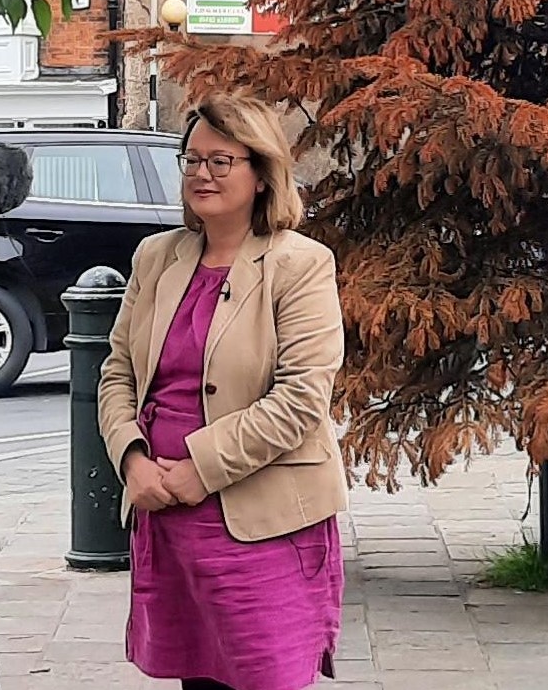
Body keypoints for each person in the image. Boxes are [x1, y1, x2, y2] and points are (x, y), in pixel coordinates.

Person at [99, 93, 348, 690]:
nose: (200, 174)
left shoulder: (301, 264)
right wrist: (133, 461)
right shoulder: (156, 257)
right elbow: (116, 373)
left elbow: (301, 400)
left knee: (266, 679)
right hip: (164, 515)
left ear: (261, 174)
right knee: (197, 678)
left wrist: (197, 469)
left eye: (221, 161)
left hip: (261, 522)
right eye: (191, 160)